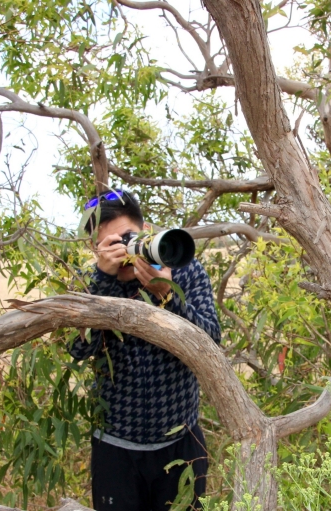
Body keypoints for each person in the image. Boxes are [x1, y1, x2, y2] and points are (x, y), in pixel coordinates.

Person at [70, 189, 221, 511]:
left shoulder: (184, 268)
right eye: (111, 245)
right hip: (115, 447)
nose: (124, 251)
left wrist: (168, 296)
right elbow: (79, 349)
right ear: (96, 248)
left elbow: (211, 342)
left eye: (128, 238)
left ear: (147, 230)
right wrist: (103, 281)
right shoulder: (91, 280)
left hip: (181, 440)